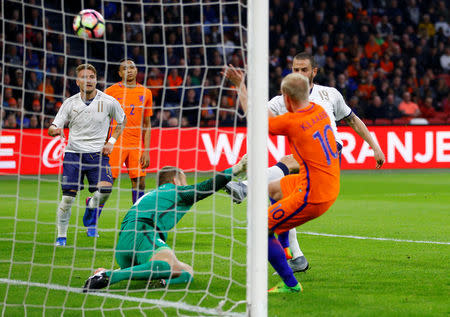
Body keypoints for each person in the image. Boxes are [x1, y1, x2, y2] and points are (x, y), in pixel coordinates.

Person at [222, 52, 385, 273]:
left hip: (328, 153)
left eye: (304, 70)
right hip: (306, 164)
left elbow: (352, 119)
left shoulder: (329, 95)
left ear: (314, 71)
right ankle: (296, 256)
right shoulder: (282, 100)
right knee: (282, 197)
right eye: (295, 70)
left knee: (287, 162)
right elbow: (260, 117)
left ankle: (246, 187)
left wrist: (374, 145)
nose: (299, 74)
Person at [83, 155, 248, 291]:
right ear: (176, 180)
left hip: (124, 247)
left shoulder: (152, 195)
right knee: (172, 267)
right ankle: (108, 276)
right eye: (184, 181)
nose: (186, 186)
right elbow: (206, 186)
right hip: (143, 235)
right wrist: (237, 168)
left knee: (187, 271)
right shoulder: (174, 190)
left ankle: (152, 279)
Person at [267, 73, 340, 292]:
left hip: (313, 195)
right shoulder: (320, 111)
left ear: (286, 98)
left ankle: (291, 284)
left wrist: (242, 89)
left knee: (261, 229)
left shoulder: (293, 121)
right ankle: (287, 249)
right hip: (327, 183)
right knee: (273, 189)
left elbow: (263, 122)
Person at [48, 64, 126, 245]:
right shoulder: (70, 103)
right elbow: (55, 125)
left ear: (96, 80)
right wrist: (54, 129)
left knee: (105, 190)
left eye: (91, 77)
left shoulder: (108, 101)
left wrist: (111, 142)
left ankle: (91, 205)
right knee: (67, 198)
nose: (88, 80)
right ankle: (61, 236)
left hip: (97, 155)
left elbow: (122, 121)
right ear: (78, 81)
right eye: (84, 77)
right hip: (73, 154)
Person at [104, 59, 153, 205]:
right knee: (107, 184)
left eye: (132, 67)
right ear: (120, 73)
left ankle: (136, 219)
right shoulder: (110, 91)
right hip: (116, 142)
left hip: (136, 145)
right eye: (125, 68)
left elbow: (147, 125)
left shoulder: (146, 93)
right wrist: (104, 142)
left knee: (140, 183)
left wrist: (146, 150)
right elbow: (103, 119)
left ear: (137, 70)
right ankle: (93, 220)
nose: (129, 70)